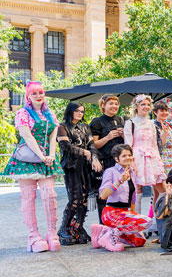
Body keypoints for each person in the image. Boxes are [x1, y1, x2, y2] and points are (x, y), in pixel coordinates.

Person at [1, 82, 64, 252]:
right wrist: (41, 156)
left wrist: (51, 155)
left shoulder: (50, 114)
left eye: (41, 92)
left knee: (49, 195)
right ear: (28, 96)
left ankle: (52, 234)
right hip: (27, 159)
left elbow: (53, 137)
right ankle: (33, 236)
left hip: (46, 159)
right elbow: (27, 137)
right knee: (28, 197)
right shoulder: (22, 113)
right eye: (34, 93)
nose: (38, 95)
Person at [56, 103, 103, 245]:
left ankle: (78, 226)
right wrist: (85, 152)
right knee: (75, 198)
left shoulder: (85, 127)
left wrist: (94, 158)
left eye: (82, 111)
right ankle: (64, 228)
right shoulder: (62, 127)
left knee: (84, 199)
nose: (80, 113)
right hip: (71, 166)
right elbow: (65, 146)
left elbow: (92, 146)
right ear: (70, 111)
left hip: (85, 166)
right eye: (77, 110)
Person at [92, 144, 152, 252]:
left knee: (139, 241)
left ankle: (103, 231)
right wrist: (120, 181)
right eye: (124, 156)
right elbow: (103, 195)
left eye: (129, 155)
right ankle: (109, 235)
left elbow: (133, 197)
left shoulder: (132, 172)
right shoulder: (110, 172)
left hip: (124, 213)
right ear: (116, 159)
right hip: (111, 213)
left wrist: (134, 218)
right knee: (146, 221)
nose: (128, 158)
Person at [124, 94, 166, 215]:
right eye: (143, 104)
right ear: (136, 106)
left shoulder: (151, 123)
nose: (146, 107)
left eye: (148, 104)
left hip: (152, 158)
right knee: (137, 191)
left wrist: (159, 161)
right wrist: (131, 163)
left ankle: (155, 218)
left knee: (162, 190)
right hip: (137, 158)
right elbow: (128, 145)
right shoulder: (130, 123)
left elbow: (154, 144)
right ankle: (137, 224)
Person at [89, 94, 126, 223]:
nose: (114, 106)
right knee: (105, 194)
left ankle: (120, 223)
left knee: (121, 192)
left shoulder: (122, 120)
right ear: (103, 105)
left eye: (116, 104)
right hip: (106, 162)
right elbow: (93, 144)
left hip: (121, 163)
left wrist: (124, 135)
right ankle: (104, 224)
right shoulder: (97, 122)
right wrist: (108, 137)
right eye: (111, 103)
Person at [154, 100, 172, 174]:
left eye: (166, 111)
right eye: (162, 111)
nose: (165, 113)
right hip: (161, 156)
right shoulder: (153, 126)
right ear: (155, 112)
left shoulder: (170, 125)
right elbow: (159, 145)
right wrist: (164, 133)